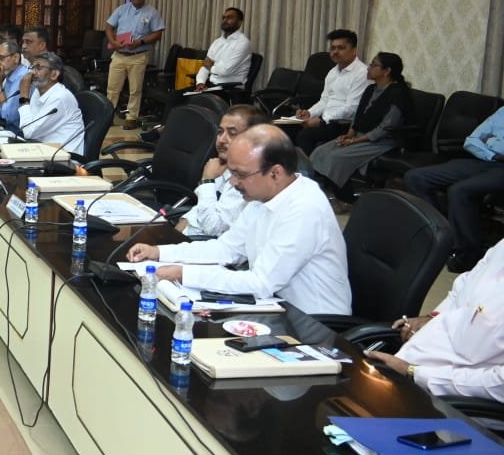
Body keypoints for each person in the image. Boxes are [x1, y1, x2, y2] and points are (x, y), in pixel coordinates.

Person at [127, 125, 351, 314]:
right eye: (232, 173)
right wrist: (159, 253)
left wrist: (183, 273)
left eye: (240, 174)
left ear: (275, 173)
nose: (233, 182)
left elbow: (261, 282)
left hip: (314, 324)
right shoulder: (263, 196)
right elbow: (226, 249)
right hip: (273, 306)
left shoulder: (304, 209)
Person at [368, 238, 504, 401]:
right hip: (403, 367)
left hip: (444, 399)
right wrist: (432, 317)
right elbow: (465, 285)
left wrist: (414, 373)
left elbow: (499, 385)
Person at [404, 102, 504, 273]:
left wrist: (490, 141)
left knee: (460, 191)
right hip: (483, 159)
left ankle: (467, 255)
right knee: (416, 178)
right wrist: (493, 152)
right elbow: (471, 141)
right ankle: (442, 233)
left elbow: (483, 141)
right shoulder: (502, 111)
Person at [310, 52, 411, 209]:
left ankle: (346, 200)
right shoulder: (371, 89)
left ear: (387, 71)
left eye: (374, 65)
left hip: (382, 141)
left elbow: (386, 127)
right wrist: (350, 134)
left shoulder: (398, 94)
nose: (368, 68)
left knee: (335, 157)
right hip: (359, 135)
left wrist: (355, 141)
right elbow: (359, 115)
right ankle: (332, 193)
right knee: (320, 152)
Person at [180, 104, 269, 238]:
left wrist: (206, 181)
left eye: (232, 133)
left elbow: (213, 229)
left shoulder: (250, 180)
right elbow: (198, 211)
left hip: (205, 244)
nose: (221, 140)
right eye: (220, 132)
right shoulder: (222, 167)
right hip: (185, 239)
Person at [293, 29, 369, 152]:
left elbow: (352, 108)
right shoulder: (333, 72)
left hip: (343, 124)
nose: (335, 52)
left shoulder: (362, 74)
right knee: (285, 128)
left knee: (305, 135)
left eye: (341, 48)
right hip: (327, 120)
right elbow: (325, 100)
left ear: (354, 50)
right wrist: (309, 113)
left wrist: (322, 121)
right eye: (333, 48)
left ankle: (309, 165)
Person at [104, 0, 165, 125]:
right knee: (112, 89)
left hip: (138, 56)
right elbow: (108, 26)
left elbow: (158, 33)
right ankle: (107, 116)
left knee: (135, 90)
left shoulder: (152, 12)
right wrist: (113, 41)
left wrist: (140, 42)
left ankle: (131, 118)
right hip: (119, 55)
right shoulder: (122, 9)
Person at [18, 53, 84, 153]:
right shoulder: (38, 92)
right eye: (32, 67)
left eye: (38, 68)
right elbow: (29, 127)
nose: (32, 72)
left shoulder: (60, 97)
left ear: (54, 74)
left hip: (63, 156)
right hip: (42, 150)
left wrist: (24, 96)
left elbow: (29, 132)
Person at [193, 8, 252, 93]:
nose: (225, 20)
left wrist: (210, 66)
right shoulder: (217, 42)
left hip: (230, 89)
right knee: (177, 96)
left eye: (230, 17)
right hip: (211, 86)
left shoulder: (242, 42)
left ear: (239, 22)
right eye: (223, 18)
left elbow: (226, 71)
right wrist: (200, 82)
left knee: (190, 100)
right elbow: (205, 66)